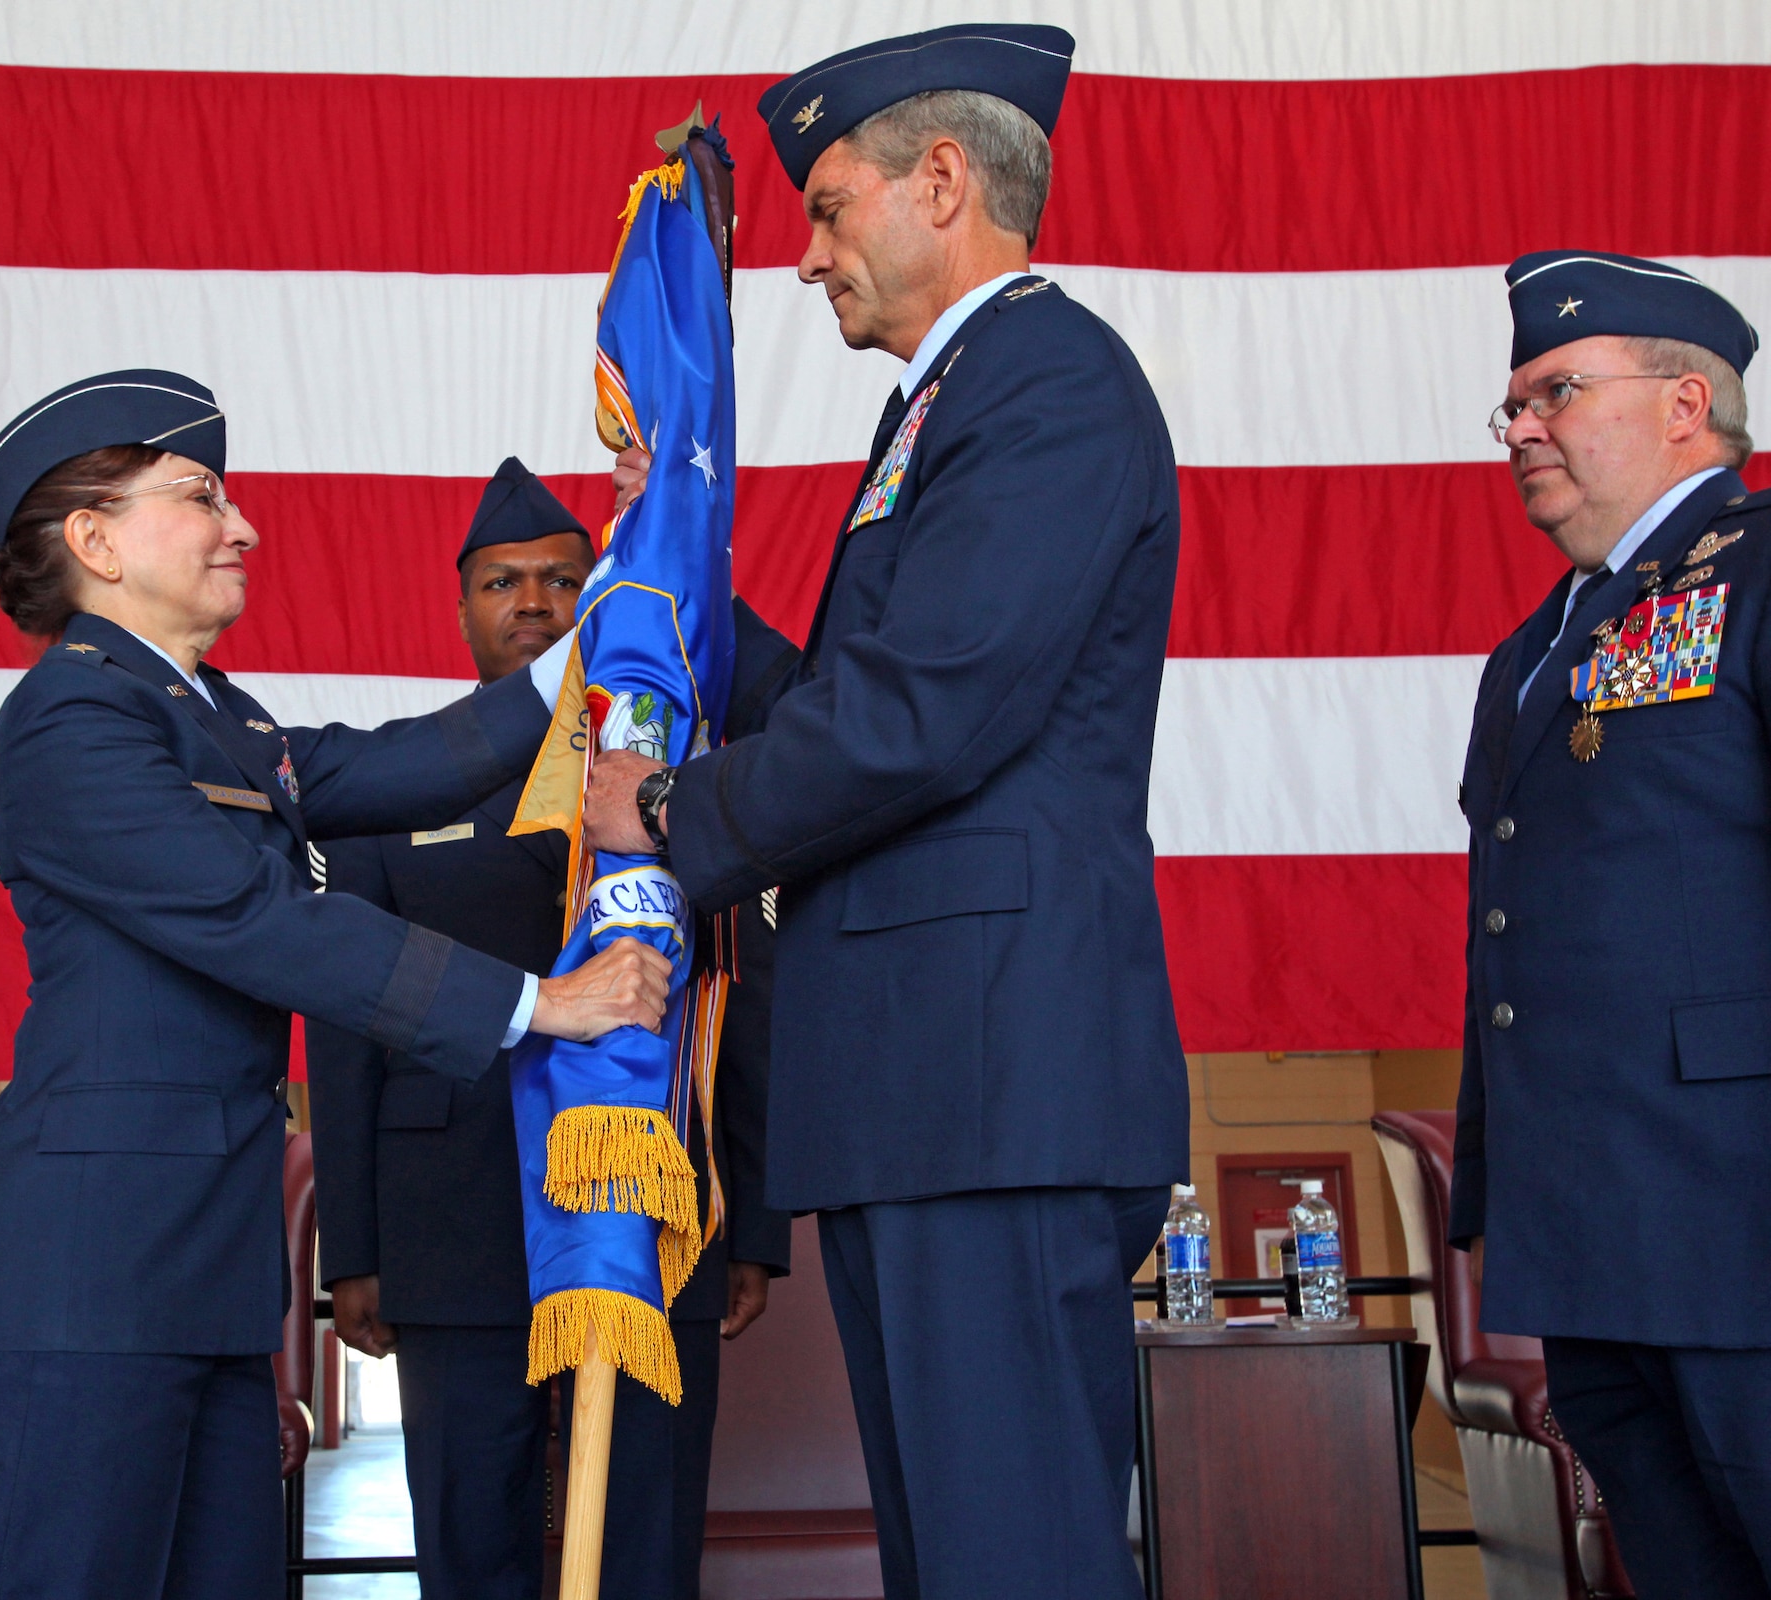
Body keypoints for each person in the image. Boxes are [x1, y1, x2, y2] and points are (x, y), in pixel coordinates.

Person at [586, 27, 1189, 1600]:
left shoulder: (1046, 380)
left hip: (989, 1081)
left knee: (1013, 1557)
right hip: (935, 1084)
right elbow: (882, 684)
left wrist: (665, 804)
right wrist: (684, 570)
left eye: (831, 207)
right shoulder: (964, 394)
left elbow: (928, 713)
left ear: (941, 183)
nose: (805, 258)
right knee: (959, 1557)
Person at [0, 373, 672, 1600]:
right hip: (79, 1289)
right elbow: (252, 915)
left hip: (202, 1284)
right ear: (95, 543)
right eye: (200, 497)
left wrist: (620, 595)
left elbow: (406, 763)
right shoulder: (70, 719)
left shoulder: (205, 712)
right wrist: (545, 1003)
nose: (242, 525)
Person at [308, 458, 789, 1600]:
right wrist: (357, 1253)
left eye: (561, 579)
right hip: (453, 1231)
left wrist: (753, 1227)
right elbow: (342, 1029)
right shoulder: (388, 784)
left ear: (597, 599)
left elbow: (740, 990)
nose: (532, 601)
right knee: (471, 1537)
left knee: (642, 1533)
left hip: (648, 1215)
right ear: (462, 606)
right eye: (502, 582)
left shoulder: (675, 780)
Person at [1453, 253, 1771, 1599]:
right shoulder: (1538, 645)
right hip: (1598, 1234)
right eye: (1510, 408)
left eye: (1555, 392)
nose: (1523, 430)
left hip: (1761, 1230)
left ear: (1686, 403)